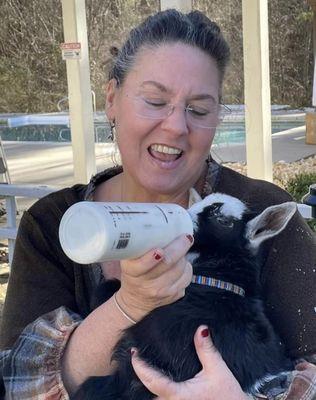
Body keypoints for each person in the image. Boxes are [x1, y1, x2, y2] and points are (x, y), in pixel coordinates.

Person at [0, 8, 315, 400]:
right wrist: (130, 304)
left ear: (217, 117)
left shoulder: (259, 212)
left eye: (198, 110)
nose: (175, 126)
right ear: (111, 100)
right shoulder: (52, 226)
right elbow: (16, 383)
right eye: (154, 100)